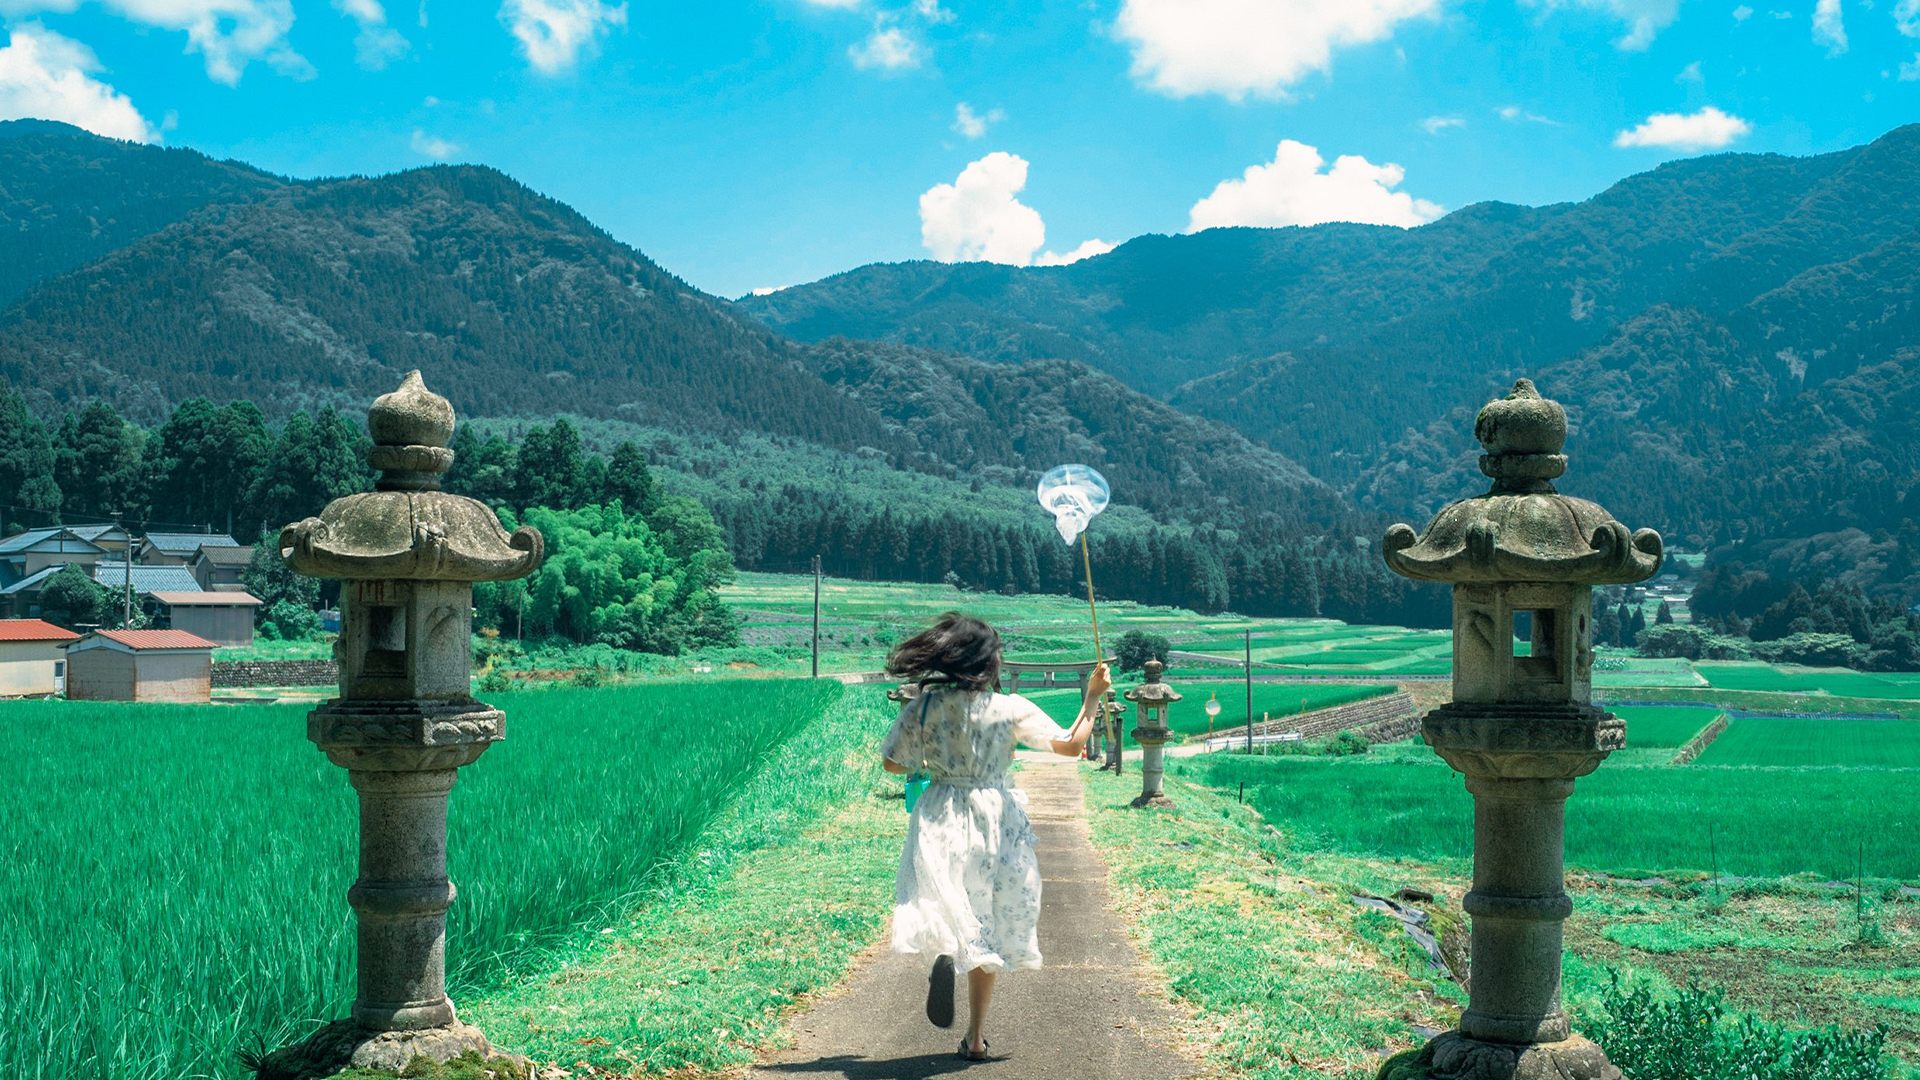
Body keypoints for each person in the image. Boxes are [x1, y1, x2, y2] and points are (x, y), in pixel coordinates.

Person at [879, 612, 1110, 1062]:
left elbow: (892, 762)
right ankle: (975, 1038)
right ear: (988, 663)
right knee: (984, 915)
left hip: (940, 809)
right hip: (993, 816)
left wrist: (934, 761)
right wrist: (1093, 696)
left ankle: (944, 951)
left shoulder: (923, 707)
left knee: (938, 893)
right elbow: (1070, 746)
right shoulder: (1010, 708)